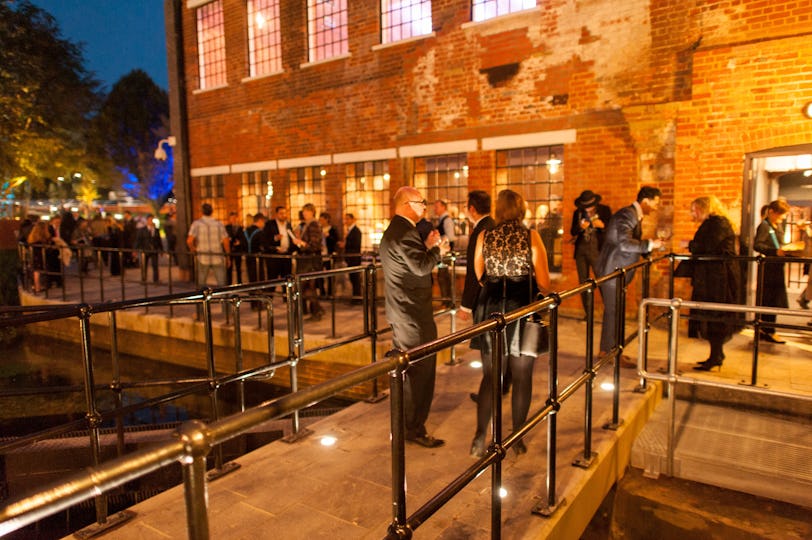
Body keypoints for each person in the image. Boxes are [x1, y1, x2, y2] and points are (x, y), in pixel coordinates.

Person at [470, 189, 550, 458]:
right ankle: (517, 437)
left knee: (491, 377)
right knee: (522, 376)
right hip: (523, 309)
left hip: (492, 309)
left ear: (498, 210)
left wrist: (495, 285)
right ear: (521, 209)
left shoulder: (485, 235)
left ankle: (480, 438)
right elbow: (544, 282)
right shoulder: (531, 237)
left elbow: (479, 273)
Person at [379, 187, 448, 448]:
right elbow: (421, 267)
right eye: (422, 203)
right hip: (412, 314)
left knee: (411, 373)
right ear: (408, 204)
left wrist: (428, 246)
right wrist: (438, 250)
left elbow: (413, 262)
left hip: (403, 311)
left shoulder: (396, 231)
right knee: (420, 374)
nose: (425, 207)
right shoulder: (404, 232)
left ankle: (407, 425)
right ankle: (414, 428)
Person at [596, 186, 663, 366]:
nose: (656, 207)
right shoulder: (627, 215)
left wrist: (648, 252)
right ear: (646, 201)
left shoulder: (633, 215)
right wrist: (649, 244)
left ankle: (607, 351)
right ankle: (613, 353)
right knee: (614, 312)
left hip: (616, 270)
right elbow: (624, 244)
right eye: (655, 203)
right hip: (613, 271)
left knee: (613, 312)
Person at [686, 197, 741, 371]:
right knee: (712, 315)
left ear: (704, 208)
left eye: (694, 209)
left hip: (718, 279)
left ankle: (715, 356)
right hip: (713, 277)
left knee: (715, 315)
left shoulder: (717, 223)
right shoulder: (715, 223)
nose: (692, 213)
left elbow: (707, 246)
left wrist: (689, 245)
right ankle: (716, 354)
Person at [753, 199, 792, 344]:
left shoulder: (778, 226)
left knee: (775, 299)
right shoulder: (764, 226)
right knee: (769, 298)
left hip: (777, 266)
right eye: (780, 215)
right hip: (769, 268)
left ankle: (768, 328)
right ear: (772, 212)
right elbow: (757, 245)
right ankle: (768, 330)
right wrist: (774, 251)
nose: (782, 218)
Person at [571, 190, 611, 316]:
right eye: (585, 208)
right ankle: (588, 313)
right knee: (583, 283)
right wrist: (580, 228)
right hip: (581, 251)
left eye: (590, 207)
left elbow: (612, 230)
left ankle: (609, 311)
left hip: (597, 250)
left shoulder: (604, 210)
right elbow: (573, 231)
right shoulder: (578, 213)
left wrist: (602, 226)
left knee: (601, 280)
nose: (588, 210)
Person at [292, 203, 325, 321]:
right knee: (307, 288)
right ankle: (316, 310)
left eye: (306, 211)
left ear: (312, 212)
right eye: (303, 211)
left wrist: (301, 243)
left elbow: (314, 245)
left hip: (309, 261)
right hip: (307, 261)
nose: (304, 213)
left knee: (309, 287)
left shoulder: (313, 224)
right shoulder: (308, 224)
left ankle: (316, 312)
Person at [187, 203, 230, 288]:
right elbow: (226, 241)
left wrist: (193, 250)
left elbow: (189, 241)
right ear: (212, 211)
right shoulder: (219, 224)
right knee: (222, 283)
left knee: (201, 283)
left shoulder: (197, 224)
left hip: (202, 256)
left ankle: (204, 299)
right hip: (217, 255)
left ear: (202, 212)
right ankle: (224, 300)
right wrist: (228, 256)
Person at [264, 206, 295, 295]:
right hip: (275, 256)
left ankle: (287, 298)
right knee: (272, 279)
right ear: (277, 214)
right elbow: (265, 240)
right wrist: (275, 238)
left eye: (285, 213)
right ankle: (269, 298)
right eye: (281, 213)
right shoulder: (270, 224)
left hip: (286, 255)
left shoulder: (288, 225)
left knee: (287, 279)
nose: (283, 215)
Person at [434, 199, 456, 308]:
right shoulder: (442, 220)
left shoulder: (447, 220)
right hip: (443, 252)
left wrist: (439, 239)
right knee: (443, 276)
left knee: (443, 276)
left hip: (446, 253)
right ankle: (446, 301)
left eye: (437, 207)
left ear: (443, 207)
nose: (435, 209)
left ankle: (447, 302)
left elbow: (451, 237)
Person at [338, 213, 362, 302]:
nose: (346, 221)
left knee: (355, 278)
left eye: (348, 219)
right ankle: (355, 296)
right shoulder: (349, 230)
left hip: (354, 258)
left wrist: (345, 244)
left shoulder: (356, 231)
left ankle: (357, 297)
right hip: (350, 258)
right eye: (345, 219)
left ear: (352, 220)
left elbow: (356, 244)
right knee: (352, 278)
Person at [134, 214, 163, 283]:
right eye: (149, 220)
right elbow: (138, 240)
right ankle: (144, 279)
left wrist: (161, 249)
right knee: (144, 266)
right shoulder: (142, 230)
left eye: (151, 219)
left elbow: (159, 240)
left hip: (154, 250)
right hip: (145, 250)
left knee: (155, 265)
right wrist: (135, 250)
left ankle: (156, 280)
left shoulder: (156, 230)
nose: (150, 221)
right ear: (147, 220)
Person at [318, 212, 339, 297]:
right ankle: (322, 292)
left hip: (329, 254)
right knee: (319, 275)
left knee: (330, 275)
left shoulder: (332, 229)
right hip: (320, 254)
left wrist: (328, 236)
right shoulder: (318, 229)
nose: (321, 221)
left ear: (327, 220)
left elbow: (335, 241)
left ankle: (330, 293)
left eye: (322, 220)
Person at [27, 221, 52, 293]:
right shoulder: (42, 238)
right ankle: (38, 287)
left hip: (34, 256)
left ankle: (36, 286)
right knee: (38, 271)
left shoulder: (32, 236)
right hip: (39, 256)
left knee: (36, 271)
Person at [225, 212, 244, 285]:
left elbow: (243, 238)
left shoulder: (240, 228)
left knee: (238, 268)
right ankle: (229, 283)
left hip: (238, 250)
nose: (233, 219)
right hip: (229, 250)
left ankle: (239, 282)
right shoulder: (227, 227)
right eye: (232, 218)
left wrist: (240, 242)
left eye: (234, 218)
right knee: (229, 267)